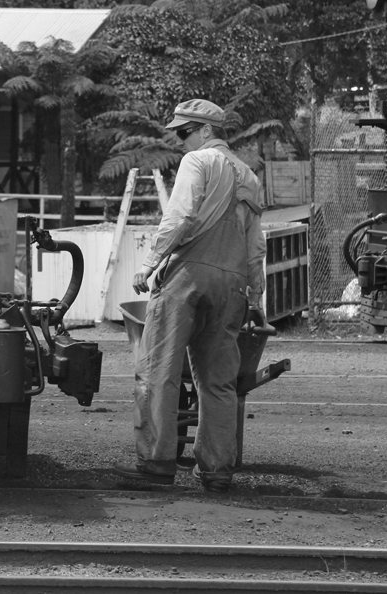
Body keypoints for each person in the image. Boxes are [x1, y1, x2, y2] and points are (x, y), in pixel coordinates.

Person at [111, 98, 267, 493]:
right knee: (219, 380)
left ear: (206, 132)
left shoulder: (198, 163)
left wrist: (149, 263)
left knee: (158, 370)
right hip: (232, 284)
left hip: (188, 275)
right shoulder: (249, 176)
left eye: (184, 133)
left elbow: (179, 216)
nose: (180, 141)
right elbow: (255, 247)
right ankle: (216, 471)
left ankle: (157, 463)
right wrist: (257, 297)